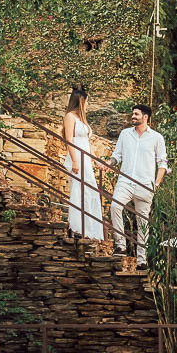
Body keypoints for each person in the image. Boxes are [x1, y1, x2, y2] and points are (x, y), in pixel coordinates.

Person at [100, 104, 167, 268]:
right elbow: (117, 156)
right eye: (133, 114)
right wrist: (108, 164)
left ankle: (142, 261)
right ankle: (121, 245)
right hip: (125, 181)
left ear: (145, 117)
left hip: (145, 185)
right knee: (115, 206)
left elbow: (163, 163)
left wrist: (156, 184)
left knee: (143, 222)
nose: (133, 116)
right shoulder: (125, 134)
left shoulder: (157, 138)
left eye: (136, 114)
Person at [62, 88, 104, 239]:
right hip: (76, 158)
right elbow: (69, 140)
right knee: (79, 191)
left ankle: (90, 229)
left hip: (85, 159)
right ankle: (76, 227)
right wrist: (74, 160)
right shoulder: (70, 117)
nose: (88, 104)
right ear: (81, 101)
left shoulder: (82, 119)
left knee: (90, 192)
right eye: (87, 101)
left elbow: (87, 144)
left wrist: (96, 160)